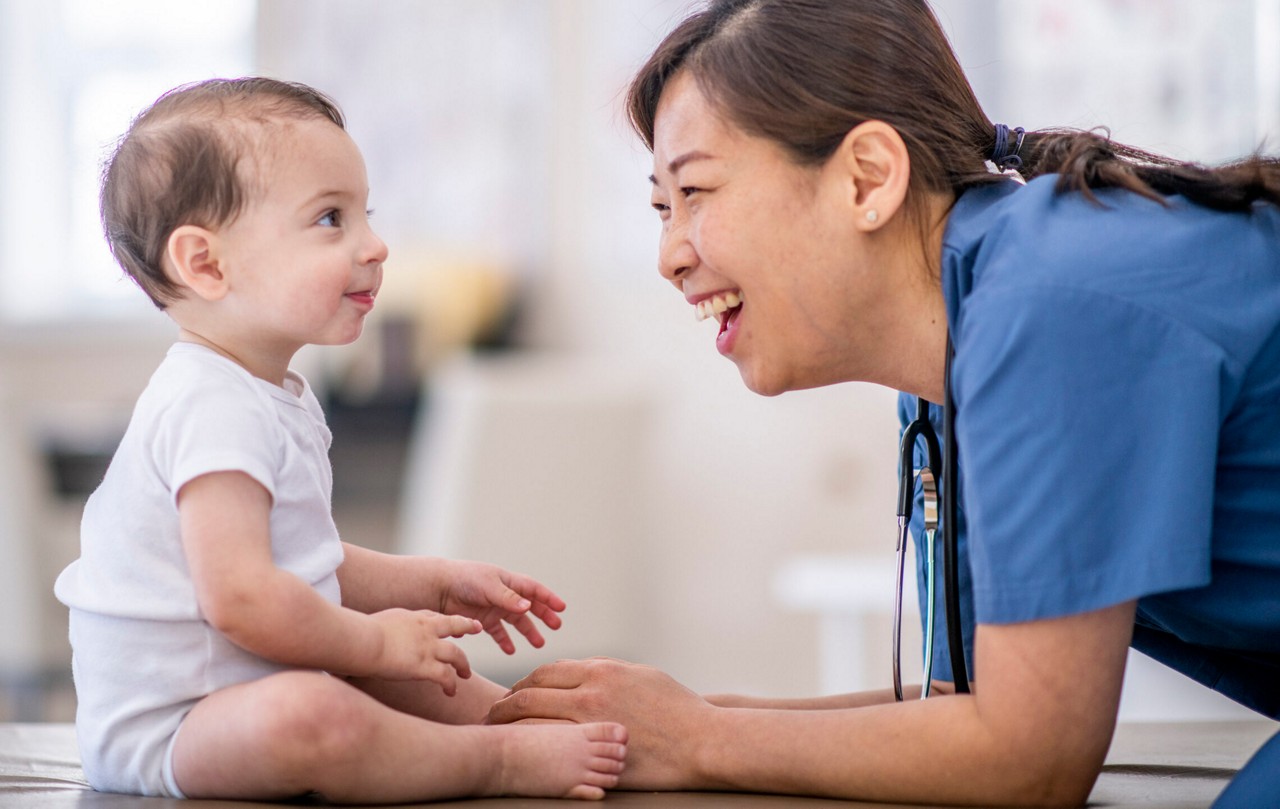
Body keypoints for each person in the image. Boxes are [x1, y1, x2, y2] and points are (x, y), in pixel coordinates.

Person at [485, 2, 1280, 806]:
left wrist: (696, 736)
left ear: (867, 177)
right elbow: (962, 714)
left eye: (695, 190)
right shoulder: (950, 375)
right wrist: (664, 723)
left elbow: (1031, 757)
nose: (670, 255)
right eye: (661, 208)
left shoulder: (1051, 310)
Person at [53, 77, 627, 803]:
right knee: (323, 702)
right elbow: (243, 597)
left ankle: (518, 720)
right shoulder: (208, 405)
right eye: (331, 219)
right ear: (205, 263)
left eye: (365, 214)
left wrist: (431, 580)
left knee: (407, 663)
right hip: (173, 728)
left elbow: (301, 560)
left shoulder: (273, 392)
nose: (376, 245)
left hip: (244, 691)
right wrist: (376, 639)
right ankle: (499, 759)